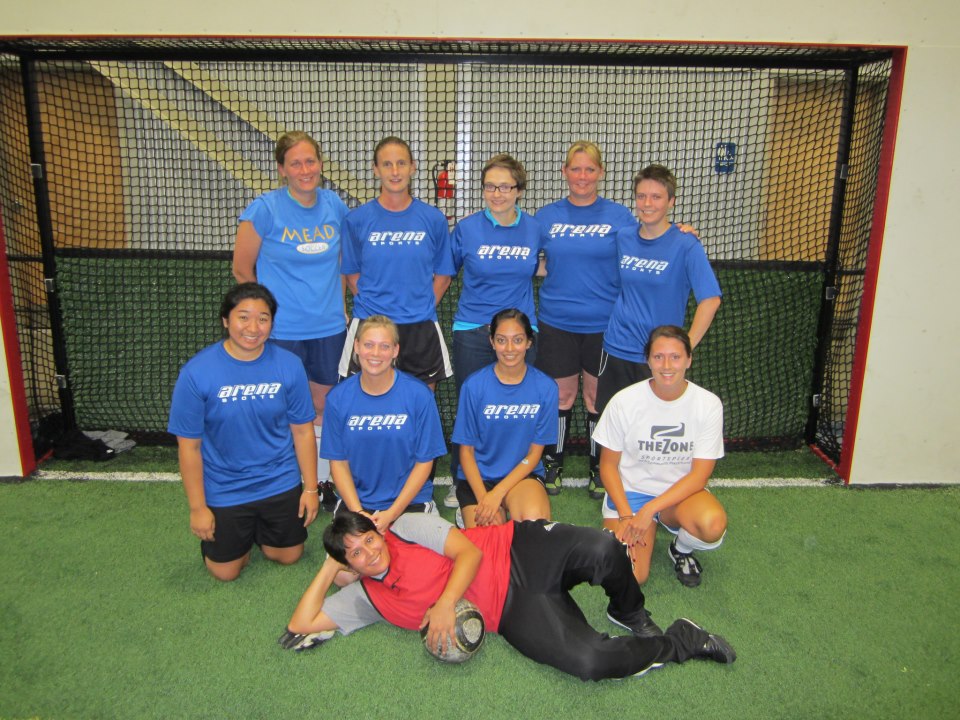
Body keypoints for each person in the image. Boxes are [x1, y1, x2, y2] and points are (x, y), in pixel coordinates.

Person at [279, 511, 736, 682]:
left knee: (604, 548)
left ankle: (628, 611)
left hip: (516, 547)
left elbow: (468, 553)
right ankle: (681, 640)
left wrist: (444, 603)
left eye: (368, 539)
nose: (369, 552)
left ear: (378, 532)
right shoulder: (368, 599)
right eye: (355, 554)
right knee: (590, 663)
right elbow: (301, 623)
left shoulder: (406, 528)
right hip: (511, 610)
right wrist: (328, 566)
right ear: (349, 564)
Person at [168, 283, 319, 581]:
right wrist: (198, 508)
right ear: (226, 320)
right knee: (225, 573)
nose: (253, 328)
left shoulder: (289, 365)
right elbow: (189, 447)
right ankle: (239, 540)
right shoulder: (196, 373)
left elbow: (303, 432)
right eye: (243, 317)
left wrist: (311, 489)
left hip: (279, 479)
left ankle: (260, 532)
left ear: (272, 323)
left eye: (263, 319)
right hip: (225, 487)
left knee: (288, 556)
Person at [232, 131, 349, 513]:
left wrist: (343, 306)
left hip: (329, 328)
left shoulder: (334, 205)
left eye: (310, 161)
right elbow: (242, 269)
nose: (305, 170)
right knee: (282, 407)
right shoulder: (264, 209)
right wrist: (262, 319)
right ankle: (285, 483)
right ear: (282, 169)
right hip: (283, 332)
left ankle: (321, 482)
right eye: (295, 163)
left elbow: (344, 262)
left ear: (320, 164)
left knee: (323, 404)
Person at [534, 141, 637, 498]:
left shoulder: (620, 217)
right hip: (556, 322)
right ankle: (553, 464)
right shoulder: (546, 217)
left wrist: (680, 231)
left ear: (600, 173)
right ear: (564, 172)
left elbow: (647, 243)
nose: (582, 176)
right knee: (561, 397)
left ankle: (599, 467)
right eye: (575, 169)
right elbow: (528, 257)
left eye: (589, 169)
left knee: (596, 398)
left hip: (604, 324)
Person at [593, 325, 727, 588]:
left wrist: (650, 510)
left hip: (678, 496)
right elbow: (607, 466)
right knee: (630, 577)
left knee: (712, 525)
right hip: (631, 496)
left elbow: (700, 476)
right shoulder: (624, 401)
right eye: (658, 357)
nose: (667, 365)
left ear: (689, 359)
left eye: (675, 357)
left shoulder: (708, 404)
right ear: (648, 360)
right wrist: (627, 516)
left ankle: (681, 549)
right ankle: (638, 532)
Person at [595, 164, 721, 443]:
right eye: (641, 196)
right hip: (617, 348)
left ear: (671, 201)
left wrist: (683, 347)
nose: (647, 204)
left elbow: (710, 300)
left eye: (656, 197)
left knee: (652, 432)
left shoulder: (686, 244)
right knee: (613, 428)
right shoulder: (624, 237)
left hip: (657, 358)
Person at [447, 155, 543, 494]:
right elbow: (444, 270)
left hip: (519, 334)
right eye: (490, 187)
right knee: (472, 408)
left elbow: (559, 260)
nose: (497, 194)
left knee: (516, 406)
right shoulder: (467, 228)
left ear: (519, 190)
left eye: (504, 187)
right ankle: (463, 480)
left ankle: (516, 477)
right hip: (472, 331)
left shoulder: (535, 228)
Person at [339, 136, 455, 391]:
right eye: (387, 164)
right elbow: (352, 274)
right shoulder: (356, 220)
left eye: (401, 163)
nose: (394, 171)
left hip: (420, 327)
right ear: (375, 169)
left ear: (413, 167)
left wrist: (421, 307)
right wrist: (376, 309)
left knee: (420, 404)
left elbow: (443, 275)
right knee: (367, 404)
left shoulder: (433, 219)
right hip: (370, 327)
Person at [322, 315, 447, 532]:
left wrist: (392, 514)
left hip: (409, 502)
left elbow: (425, 461)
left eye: (384, 346)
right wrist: (358, 512)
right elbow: (338, 463)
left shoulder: (419, 395)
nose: (376, 353)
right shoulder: (337, 398)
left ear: (395, 350)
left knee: (417, 554)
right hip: (357, 503)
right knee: (355, 554)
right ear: (356, 346)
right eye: (368, 345)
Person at [451, 309, 557, 528]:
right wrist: (485, 499)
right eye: (501, 340)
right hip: (479, 479)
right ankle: (468, 512)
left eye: (517, 340)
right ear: (492, 342)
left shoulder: (546, 387)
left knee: (534, 525)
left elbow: (534, 454)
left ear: (529, 342)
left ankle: (508, 507)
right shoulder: (473, 386)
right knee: (490, 536)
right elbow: (466, 452)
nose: (509, 349)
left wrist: (498, 493)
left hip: (522, 476)